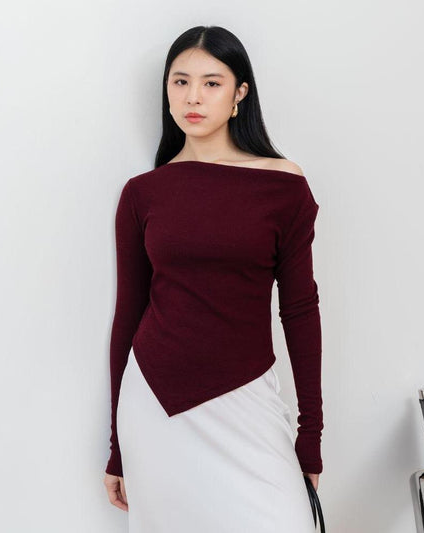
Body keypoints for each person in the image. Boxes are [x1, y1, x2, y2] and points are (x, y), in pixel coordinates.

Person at [103, 25, 324, 532]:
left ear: (240, 93)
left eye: (211, 83)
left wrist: (309, 433)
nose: (193, 97)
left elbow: (299, 310)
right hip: (155, 402)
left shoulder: (283, 185)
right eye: (180, 82)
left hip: (246, 397)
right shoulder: (142, 193)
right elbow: (128, 315)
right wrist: (116, 446)